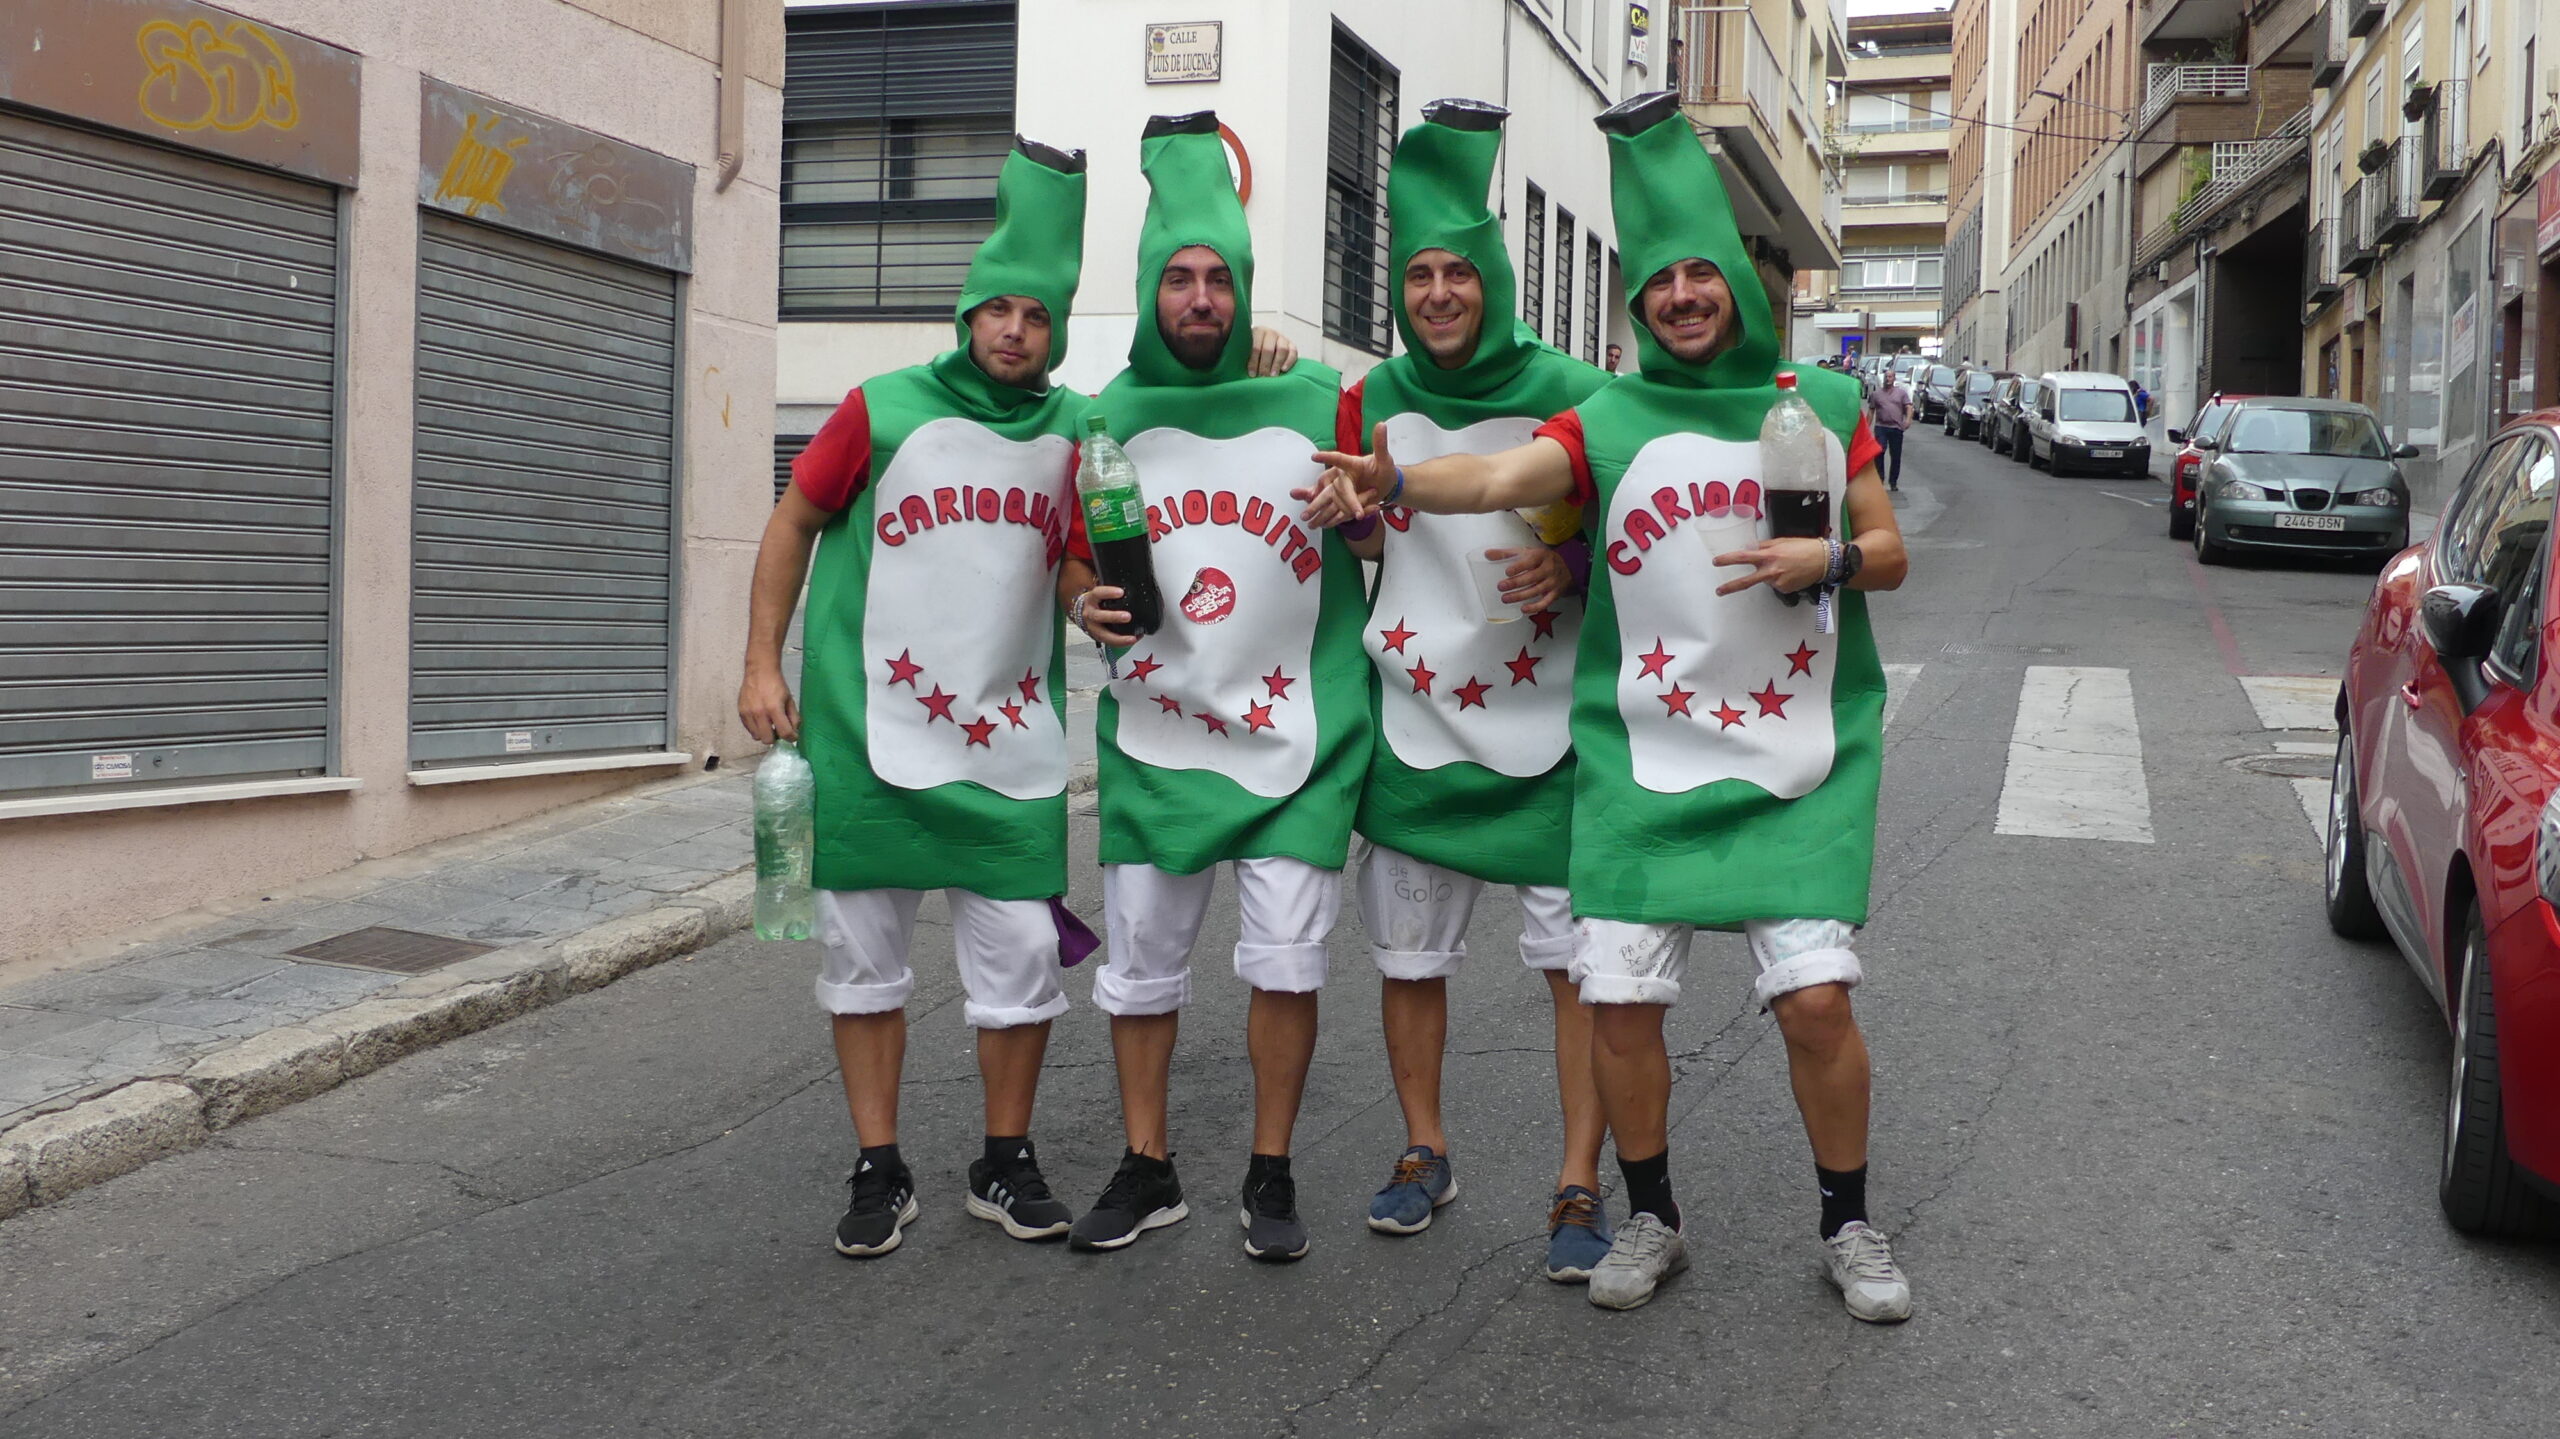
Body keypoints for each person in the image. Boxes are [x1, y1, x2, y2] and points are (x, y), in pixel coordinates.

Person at [1300, 90, 1914, 1319]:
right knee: (1620, 1003)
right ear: (1638, 305)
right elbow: (1496, 474)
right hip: (1643, 760)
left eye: (1699, 275)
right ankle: (1650, 1214)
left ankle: (1849, 1222)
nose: (1680, 296)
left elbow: (1890, 551)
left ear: (1735, 287)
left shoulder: (1820, 405)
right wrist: (1400, 480)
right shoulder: (1606, 418)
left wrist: (1829, 558)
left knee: (1814, 1000)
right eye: (1659, 283)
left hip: (1793, 757)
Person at [737, 138, 1094, 1260]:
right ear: (967, 313)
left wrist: (1089, 601)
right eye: (997, 310)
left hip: (1008, 746)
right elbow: (793, 520)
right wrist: (760, 664)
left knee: (1024, 957)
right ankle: (878, 1164)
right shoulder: (877, 408)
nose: (1013, 331)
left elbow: (1073, 560)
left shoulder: (1077, 431)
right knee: (861, 964)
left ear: (1056, 332)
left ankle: (1004, 1157)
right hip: (866, 737)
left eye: (1035, 316)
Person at [1059, 111, 1372, 1264]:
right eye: (1180, 279)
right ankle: (1147, 1164)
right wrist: (1077, 603)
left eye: (1220, 280)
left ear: (1244, 294)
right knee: (1138, 970)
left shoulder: (1318, 400)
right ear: (1151, 292)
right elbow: (1071, 558)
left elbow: (1380, 524)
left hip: (1295, 737)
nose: (1201, 299)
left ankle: (1269, 1167)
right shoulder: (1103, 419)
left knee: (1286, 962)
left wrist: (1367, 512)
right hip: (1158, 732)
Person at [1327, 99, 1617, 1281]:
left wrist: (1575, 564)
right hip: (1416, 719)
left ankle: (1579, 1177)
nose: (1439, 292)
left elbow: (1635, 538)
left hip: (1550, 732)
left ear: (1495, 281)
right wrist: (1350, 520)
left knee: (1577, 971)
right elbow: (1364, 542)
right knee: (1408, 959)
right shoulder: (1367, 395)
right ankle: (1423, 1148)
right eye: (1419, 274)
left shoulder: (1578, 392)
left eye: (1458, 271)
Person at [1868, 364, 1911, 492]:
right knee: (1879, 452)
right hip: (1881, 427)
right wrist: (1866, 427)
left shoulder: (1901, 393)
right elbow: (1871, 411)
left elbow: (1908, 406)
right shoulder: (1876, 394)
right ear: (1883, 378)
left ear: (1894, 378)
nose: (1888, 379)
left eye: (1890, 376)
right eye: (1886, 376)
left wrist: (1908, 420)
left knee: (1895, 455)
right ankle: (1880, 478)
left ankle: (1893, 482)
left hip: (1896, 428)